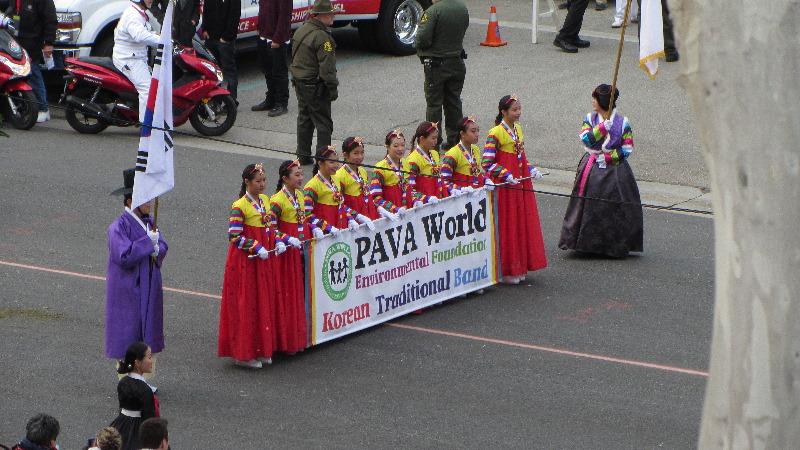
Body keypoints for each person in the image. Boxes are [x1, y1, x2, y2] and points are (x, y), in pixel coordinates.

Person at [558, 84, 643, 257]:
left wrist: (610, 157)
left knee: (615, 206)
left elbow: (627, 148)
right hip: (591, 167)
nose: (593, 103)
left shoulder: (623, 123)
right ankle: (585, 243)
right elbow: (586, 139)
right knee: (588, 205)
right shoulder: (590, 119)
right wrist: (602, 128)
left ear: (603, 102)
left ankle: (613, 245)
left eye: (595, 100)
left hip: (616, 172)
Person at [218, 163, 281, 369]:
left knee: (262, 303)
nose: (262, 185)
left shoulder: (266, 201)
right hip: (245, 262)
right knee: (246, 305)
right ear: (247, 182)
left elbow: (271, 227)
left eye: (264, 180)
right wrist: (255, 245)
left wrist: (278, 240)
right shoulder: (240, 205)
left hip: (261, 261)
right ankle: (243, 354)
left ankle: (261, 348)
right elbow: (234, 236)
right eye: (258, 181)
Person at [482, 95, 547, 284]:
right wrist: (505, 174)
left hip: (520, 184)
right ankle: (507, 269)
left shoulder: (517, 130)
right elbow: (486, 162)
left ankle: (519, 265)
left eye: (519, 109)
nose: (518, 113)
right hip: (505, 187)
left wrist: (530, 168)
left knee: (520, 224)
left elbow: (520, 158)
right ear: (504, 112)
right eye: (514, 110)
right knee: (507, 225)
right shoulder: (495, 132)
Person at [106, 169, 168, 367]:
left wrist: (159, 248)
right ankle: (126, 376)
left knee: (149, 330)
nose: (149, 203)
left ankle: (146, 375)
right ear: (130, 202)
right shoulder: (118, 227)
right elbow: (123, 256)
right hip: (128, 288)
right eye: (145, 199)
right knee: (129, 330)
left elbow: (163, 245)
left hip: (149, 284)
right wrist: (147, 244)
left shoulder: (150, 222)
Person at [269, 160, 315, 354]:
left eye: (301, 174)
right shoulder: (277, 200)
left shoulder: (301, 196)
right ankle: (284, 341)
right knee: (287, 296)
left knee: (299, 294)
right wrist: (286, 239)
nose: (301, 178)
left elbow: (307, 219)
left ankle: (296, 338)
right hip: (285, 256)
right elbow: (271, 228)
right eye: (296, 175)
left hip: (300, 253)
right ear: (285, 178)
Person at [290, 0, 342, 165]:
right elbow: (327, 69)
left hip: (300, 83)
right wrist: (332, 89)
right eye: (331, 13)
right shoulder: (322, 38)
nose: (333, 15)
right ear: (322, 15)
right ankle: (323, 159)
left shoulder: (301, 30)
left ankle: (302, 155)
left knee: (304, 119)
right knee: (323, 122)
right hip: (315, 85)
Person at [413, 0, 468, 149]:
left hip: (436, 65)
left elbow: (422, 38)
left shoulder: (433, 11)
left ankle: (433, 143)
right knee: (454, 102)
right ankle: (455, 141)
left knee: (434, 104)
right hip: (456, 61)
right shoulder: (461, 8)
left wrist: (419, 48)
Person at [0, 0, 55, 123]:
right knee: (12, 74)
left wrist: (49, 43)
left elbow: (50, 20)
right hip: (14, 41)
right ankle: (11, 108)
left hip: (33, 43)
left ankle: (43, 109)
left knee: (33, 73)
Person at [304, 145, 373, 235]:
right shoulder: (312, 186)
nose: (336, 165)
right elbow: (307, 215)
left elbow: (342, 205)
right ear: (320, 163)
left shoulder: (336, 180)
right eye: (332, 162)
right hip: (325, 234)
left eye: (337, 161)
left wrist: (353, 217)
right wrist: (327, 227)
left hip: (340, 229)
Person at [113, 0, 161, 123]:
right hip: (128, 59)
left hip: (137, 57)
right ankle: (146, 125)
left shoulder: (140, 14)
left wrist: (159, 36)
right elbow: (140, 36)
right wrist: (163, 40)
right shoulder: (132, 15)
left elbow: (146, 33)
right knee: (147, 89)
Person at [110, 341, 159, 450]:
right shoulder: (145, 390)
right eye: (149, 357)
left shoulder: (123, 382)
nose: (152, 361)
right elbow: (150, 420)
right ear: (137, 362)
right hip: (137, 430)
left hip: (120, 424)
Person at [252, 0, 291, 116]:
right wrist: (259, 28)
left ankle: (282, 103)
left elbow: (284, 16)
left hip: (277, 38)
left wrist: (278, 38)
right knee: (267, 69)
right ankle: (271, 99)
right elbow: (262, 10)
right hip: (264, 35)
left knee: (279, 71)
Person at [370, 130, 422, 214]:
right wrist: (394, 209)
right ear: (387, 147)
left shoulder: (406, 164)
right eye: (396, 146)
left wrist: (415, 200)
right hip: (391, 216)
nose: (400, 149)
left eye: (403, 145)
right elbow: (375, 198)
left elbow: (411, 189)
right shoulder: (380, 168)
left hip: (408, 213)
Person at [333, 137, 382, 220]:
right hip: (353, 220)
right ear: (345, 155)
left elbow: (367, 196)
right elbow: (339, 204)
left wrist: (379, 209)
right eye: (356, 153)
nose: (360, 157)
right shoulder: (339, 176)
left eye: (362, 153)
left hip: (368, 215)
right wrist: (356, 217)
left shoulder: (363, 172)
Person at [201, 0, 240, 103]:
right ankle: (216, 101)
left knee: (229, 70)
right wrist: (205, 28)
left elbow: (235, 15)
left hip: (225, 40)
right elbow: (206, 10)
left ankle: (231, 102)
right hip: (211, 38)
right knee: (213, 72)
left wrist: (227, 36)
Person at [441, 116, 491, 191]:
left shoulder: (476, 149)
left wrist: (486, 179)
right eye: (473, 131)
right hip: (461, 198)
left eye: (478, 130)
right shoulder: (452, 154)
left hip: (477, 195)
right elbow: (444, 181)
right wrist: (460, 189)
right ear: (462, 134)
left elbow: (476, 172)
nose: (477, 134)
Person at [406, 121, 447, 201]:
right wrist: (426, 199)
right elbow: (410, 190)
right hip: (425, 204)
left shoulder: (435, 154)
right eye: (433, 138)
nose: (436, 141)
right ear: (422, 139)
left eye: (436, 138)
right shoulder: (413, 160)